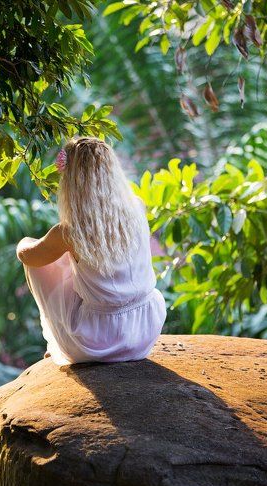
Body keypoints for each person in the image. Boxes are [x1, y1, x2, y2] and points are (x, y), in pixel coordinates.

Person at [16, 137, 166, 365]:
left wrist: (23, 242)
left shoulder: (69, 232)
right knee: (77, 260)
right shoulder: (137, 206)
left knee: (42, 260)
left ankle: (57, 343)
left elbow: (29, 257)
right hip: (146, 327)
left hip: (98, 341)